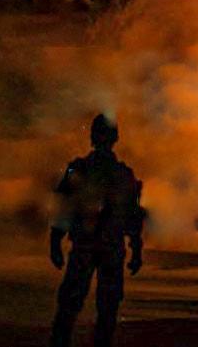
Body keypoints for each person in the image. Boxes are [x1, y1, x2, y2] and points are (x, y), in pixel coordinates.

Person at [49, 114, 144, 347]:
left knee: (70, 306)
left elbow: (64, 207)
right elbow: (133, 217)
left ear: (92, 137)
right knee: (107, 309)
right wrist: (136, 250)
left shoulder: (78, 169)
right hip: (110, 247)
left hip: (86, 245)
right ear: (116, 138)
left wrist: (55, 242)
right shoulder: (124, 174)